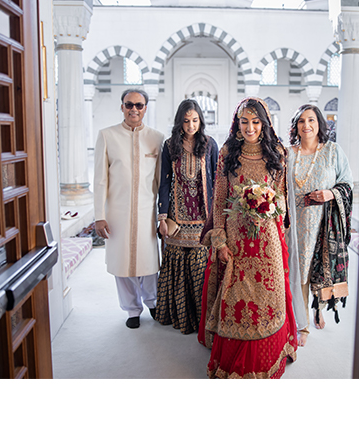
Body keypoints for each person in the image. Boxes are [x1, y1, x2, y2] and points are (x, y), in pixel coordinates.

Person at [199, 97, 298, 378]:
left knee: (269, 297)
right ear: (237, 123)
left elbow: (280, 196)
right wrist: (220, 241)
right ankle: (234, 361)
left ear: (264, 124)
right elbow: (219, 199)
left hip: (267, 238)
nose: (250, 128)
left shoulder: (277, 152)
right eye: (244, 122)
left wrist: (268, 205)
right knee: (237, 296)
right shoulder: (228, 151)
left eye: (256, 122)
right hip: (236, 236)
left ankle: (270, 355)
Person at [93, 89, 166, 329]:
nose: (134, 109)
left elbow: (159, 181)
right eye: (129, 104)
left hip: (146, 212)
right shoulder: (107, 136)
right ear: (122, 107)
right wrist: (99, 217)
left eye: (139, 105)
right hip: (117, 213)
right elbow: (100, 180)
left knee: (148, 262)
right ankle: (132, 310)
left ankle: (152, 303)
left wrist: (161, 214)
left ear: (145, 108)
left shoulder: (156, 138)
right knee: (121, 264)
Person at [285, 104, 354, 347]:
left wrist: (330, 194)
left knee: (320, 269)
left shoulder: (332, 151)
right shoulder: (288, 154)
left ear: (320, 124)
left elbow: (347, 183)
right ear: (296, 126)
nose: (307, 125)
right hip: (294, 223)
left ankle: (318, 308)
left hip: (324, 224)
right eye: (301, 121)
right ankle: (301, 321)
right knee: (299, 269)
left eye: (312, 120)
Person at [155, 99, 219, 335]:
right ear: (179, 122)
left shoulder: (210, 145)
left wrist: (218, 219)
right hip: (177, 218)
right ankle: (180, 318)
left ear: (200, 120)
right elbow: (164, 182)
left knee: (201, 267)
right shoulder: (170, 145)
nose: (191, 125)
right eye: (186, 121)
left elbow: (218, 180)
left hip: (203, 219)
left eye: (195, 120)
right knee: (177, 267)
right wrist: (162, 217)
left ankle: (202, 320)